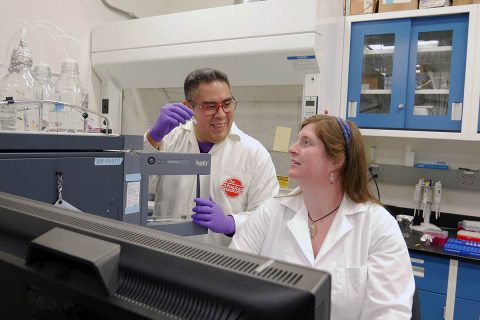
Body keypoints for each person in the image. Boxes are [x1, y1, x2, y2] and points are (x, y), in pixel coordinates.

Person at [230, 115, 414, 319]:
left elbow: (390, 313)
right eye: (297, 140)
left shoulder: (377, 225)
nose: (292, 148)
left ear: (336, 161)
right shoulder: (270, 213)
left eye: (306, 142)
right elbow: (232, 282)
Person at [144, 67, 279, 246]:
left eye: (227, 103)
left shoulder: (254, 154)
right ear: (188, 107)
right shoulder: (168, 139)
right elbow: (136, 186)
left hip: (221, 264)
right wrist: (153, 137)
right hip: (165, 254)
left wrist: (230, 223)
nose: (221, 114)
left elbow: (269, 219)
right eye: (210, 106)